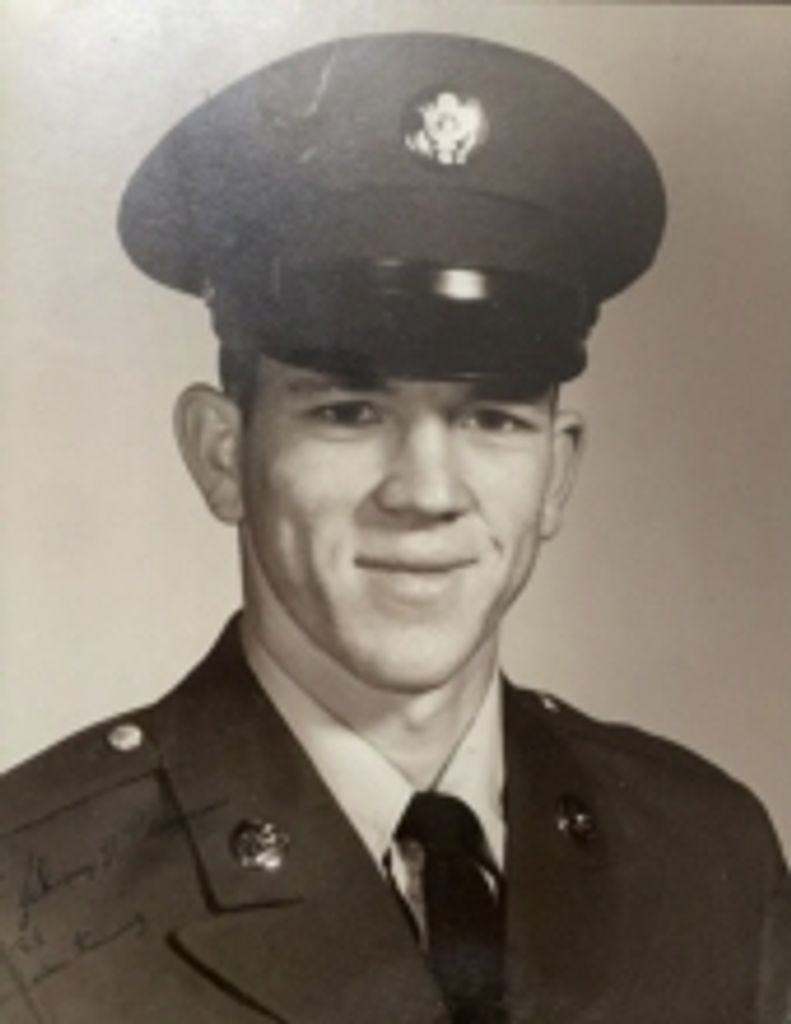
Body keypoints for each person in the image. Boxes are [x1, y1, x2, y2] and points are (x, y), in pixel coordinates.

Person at [0, 32, 788, 1024]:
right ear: (220, 453)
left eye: (491, 418)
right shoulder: (31, 903)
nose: (425, 492)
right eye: (348, 411)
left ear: (557, 473)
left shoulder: (706, 855)